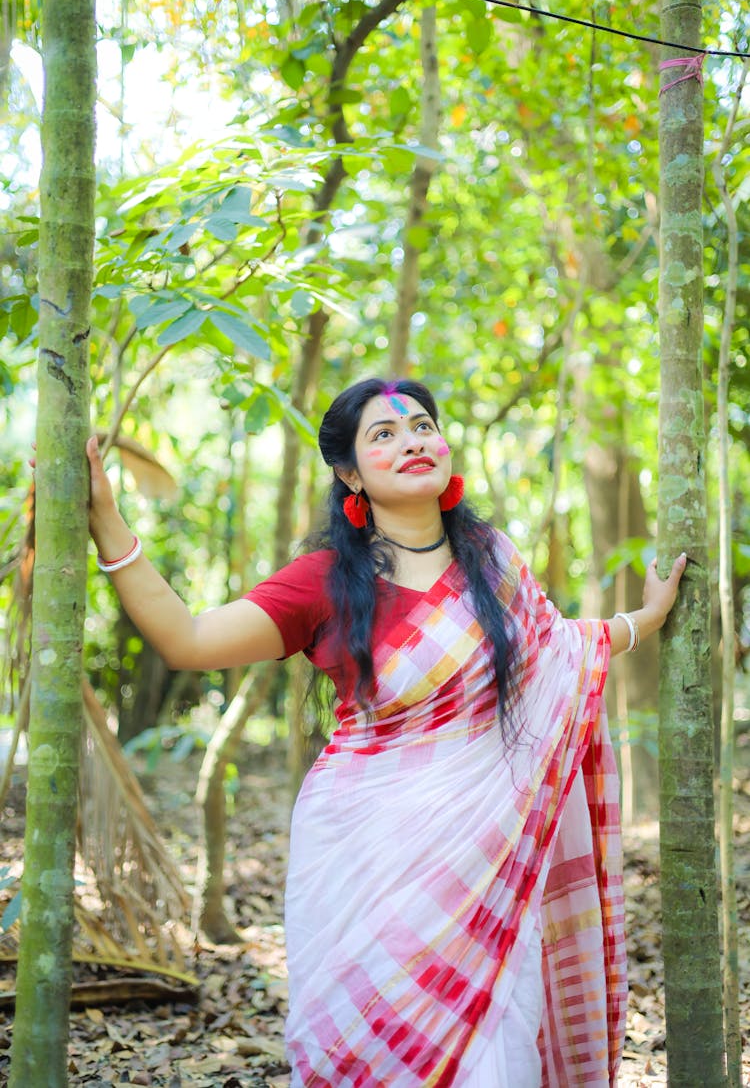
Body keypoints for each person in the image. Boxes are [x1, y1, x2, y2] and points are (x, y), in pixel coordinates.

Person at [87, 377, 686, 1088]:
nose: (411, 441)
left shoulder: (492, 561)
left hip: (485, 864)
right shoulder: (324, 582)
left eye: (422, 425)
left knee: (489, 1045)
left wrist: (647, 620)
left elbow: (558, 648)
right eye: (384, 434)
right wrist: (107, 520)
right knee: (382, 1045)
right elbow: (186, 637)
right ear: (350, 473)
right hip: (366, 855)